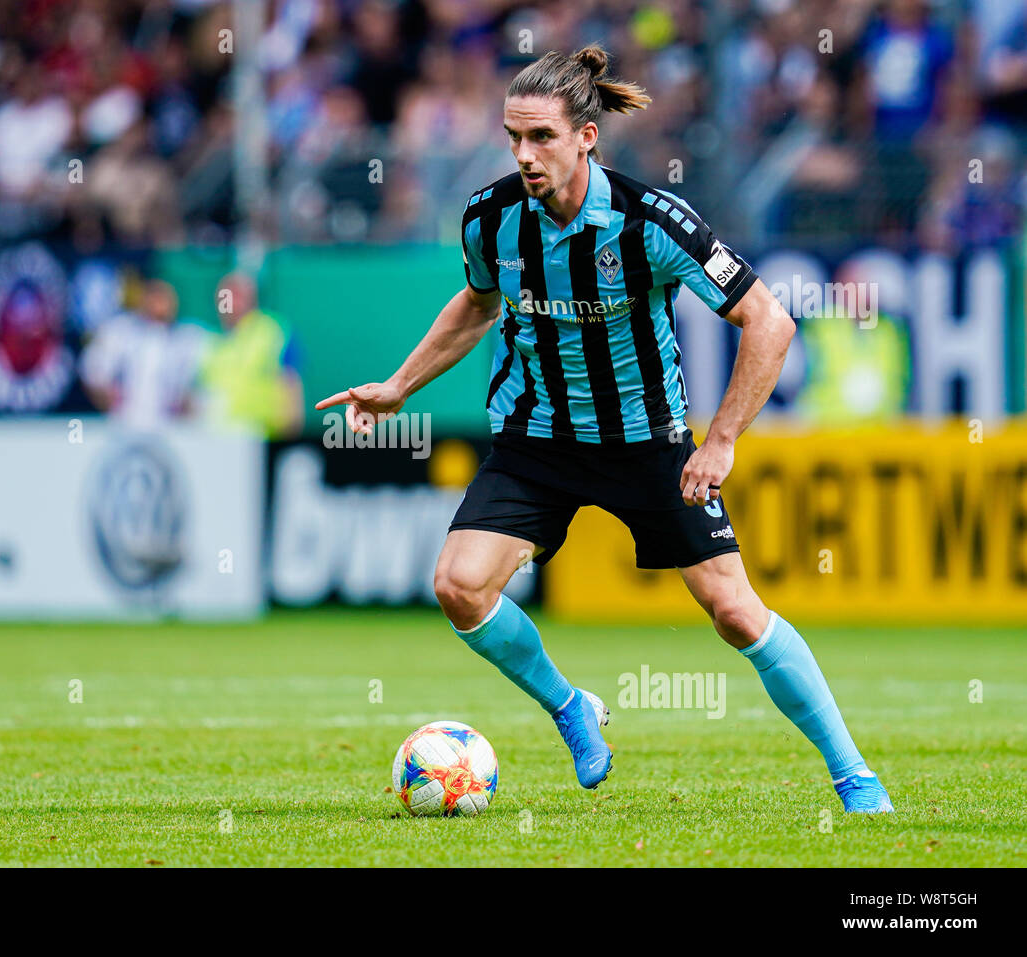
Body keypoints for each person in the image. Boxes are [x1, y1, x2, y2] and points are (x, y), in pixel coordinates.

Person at [316, 45, 893, 814]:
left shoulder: (651, 221)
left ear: (587, 136)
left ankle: (854, 775)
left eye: (542, 137)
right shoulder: (490, 218)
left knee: (733, 610)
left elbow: (770, 320)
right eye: (513, 137)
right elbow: (478, 303)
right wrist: (398, 385)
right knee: (458, 585)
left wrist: (719, 441)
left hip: (646, 443)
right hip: (535, 440)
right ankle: (570, 707)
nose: (524, 154)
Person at [79, 279, 207, 430]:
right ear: (144, 300)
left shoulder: (188, 339)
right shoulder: (119, 331)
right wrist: (105, 397)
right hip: (122, 424)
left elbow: (199, 388)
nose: (159, 304)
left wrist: (189, 404)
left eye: (164, 298)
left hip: (170, 427)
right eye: (154, 297)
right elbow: (91, 371)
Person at [203, 273, 303, 439]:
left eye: (237, 295)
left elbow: (291, 386)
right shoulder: (212, 343)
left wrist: (288, 436)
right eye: (224, 296)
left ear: (252, 298)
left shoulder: (274, 331)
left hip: (263, 439)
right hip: (220, 440)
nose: (230, 302)